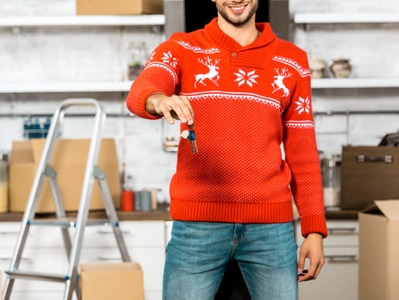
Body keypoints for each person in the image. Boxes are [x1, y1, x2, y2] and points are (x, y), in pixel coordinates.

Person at [126, 0, 328, 298]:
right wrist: (159, 99)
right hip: (197, 228)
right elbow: (141, 91)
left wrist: (314, 230)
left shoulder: (293, 60)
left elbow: (303, 151)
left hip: (271, 230)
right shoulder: (180, 48)